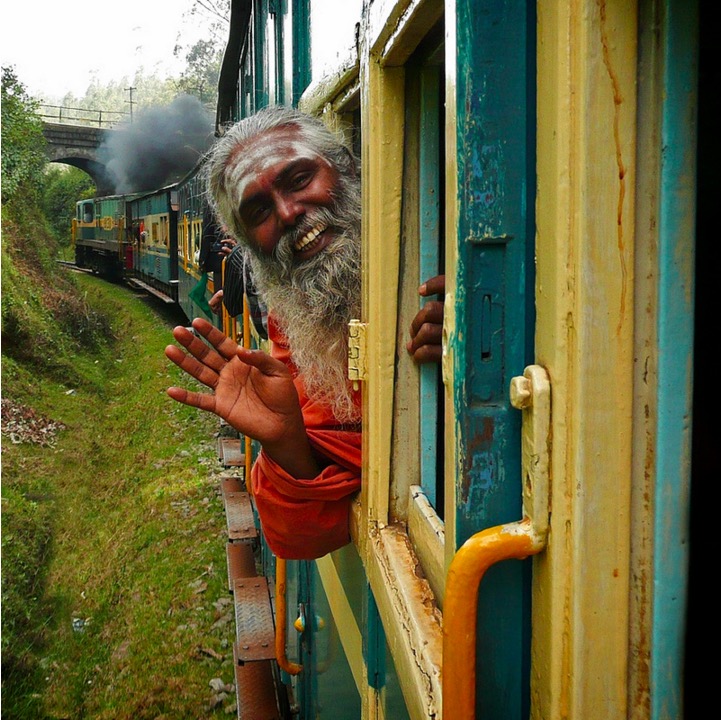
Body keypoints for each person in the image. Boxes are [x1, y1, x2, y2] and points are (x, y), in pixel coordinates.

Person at [165, 105, 443, 559]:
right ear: (249, 247)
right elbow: (295, 538)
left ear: (348, 167)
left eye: (298, 180)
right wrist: (285, 442)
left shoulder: (443, 236)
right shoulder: (297, 318)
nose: (289, 212)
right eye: (259, 211)